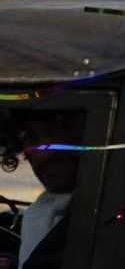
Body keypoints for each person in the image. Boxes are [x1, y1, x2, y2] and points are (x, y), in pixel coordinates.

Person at [0, 110, 84, 269]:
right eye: (30, 137)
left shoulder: (106, 211)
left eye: (60, 129)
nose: (45, 151)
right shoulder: (48, 209)